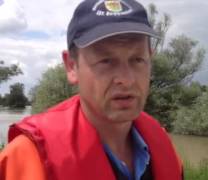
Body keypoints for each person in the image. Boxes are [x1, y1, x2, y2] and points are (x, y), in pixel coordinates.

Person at [0, 0, 183, 179]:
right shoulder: (29, 157)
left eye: (137, 60)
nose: (126, 80)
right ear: (72, 66)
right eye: (106, 61)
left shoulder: (162, 143)